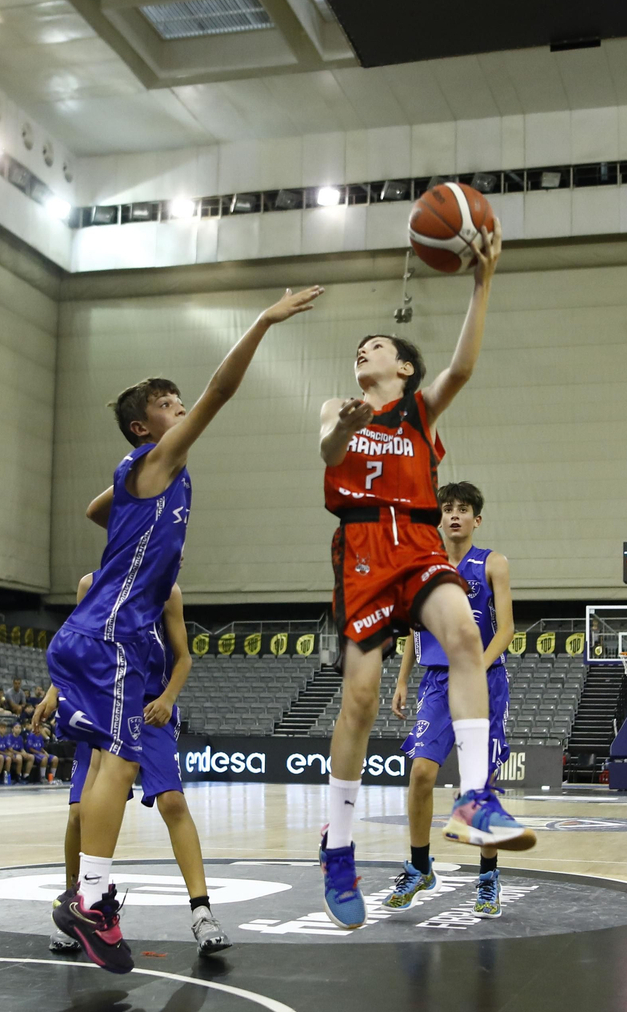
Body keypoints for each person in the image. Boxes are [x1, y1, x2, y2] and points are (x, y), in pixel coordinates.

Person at [47, 285, 320, 973]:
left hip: (109, 638)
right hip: (108, 636)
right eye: (170, 408)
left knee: (119, 763)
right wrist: (262, 319)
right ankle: (92, 897)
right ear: (147, 430)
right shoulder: (157, 462)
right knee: (121, 761)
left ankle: (93, 896)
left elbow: (92, 510)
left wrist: (138, 536)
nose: (183, 411)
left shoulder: (149, 474)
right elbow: (221, 392)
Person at [315, 226, 529, 931]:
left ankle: (475, 799)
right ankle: (338, 847)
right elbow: (327, 449)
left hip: (416, 539)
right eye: (359, 351)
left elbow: (461, 370)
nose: (363, 352)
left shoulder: (417, 409)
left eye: (376, 347)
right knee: (361, 701)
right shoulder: (338, 409)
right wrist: (343, 429)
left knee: (467, 633)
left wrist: (482, 281)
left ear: (403, 369)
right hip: (362, 547)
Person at [43, 575, 230, 957]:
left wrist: (168, 697)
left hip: (148, 708)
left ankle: (203, 913)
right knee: (80, 812)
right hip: (101, 705)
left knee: (173, 803)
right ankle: (73, 906)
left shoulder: (168, 592)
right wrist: (54, 690)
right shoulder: (90, 585)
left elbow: (183, 658)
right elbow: (75, 650)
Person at [387, 482, 513, 919]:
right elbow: (413, 630)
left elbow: (507, 630)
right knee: (421, 773)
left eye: (463, 509)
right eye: (448, 509)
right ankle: (420, 867)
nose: (455, 515)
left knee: (477, 785)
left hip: (483, 680)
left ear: (477, 519)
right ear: (439, 518)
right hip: (437, 682)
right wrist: (402, 680)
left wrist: (476, 666)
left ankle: (488, 877)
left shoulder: (493, 563)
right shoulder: (423, 566)